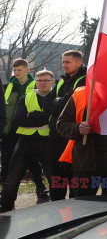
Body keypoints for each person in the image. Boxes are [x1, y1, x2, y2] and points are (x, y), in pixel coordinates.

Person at [56, 83, 107, 197]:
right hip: (86, 162)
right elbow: (61, 124)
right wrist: (77, 128)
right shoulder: (80, 94)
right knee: (82, 205)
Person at [0, 70, 55, 212]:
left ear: (52, 82)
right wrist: (44, 119)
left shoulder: (57, 98)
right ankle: (5, 206)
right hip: (25, 141)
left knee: (53, 177)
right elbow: (18, 119)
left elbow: (55, 120)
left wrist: (33, 117)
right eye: (39, 80)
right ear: (35, 81)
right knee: (13, 177)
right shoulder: (26, 97)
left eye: (46, 80)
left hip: (47, 141)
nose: (42, 82)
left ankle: (58, 205)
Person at [45, 50, 87, 201]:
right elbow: (46, 103)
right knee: (56, 179)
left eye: (67, 62)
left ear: (78, 62)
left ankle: (74, 216)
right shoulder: (62, 81)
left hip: (72, 138)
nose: (64, 65)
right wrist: (58, 102)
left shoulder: (85, 81)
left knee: (73, 180)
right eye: (63, 62)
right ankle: (56, 210)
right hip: (56, 136)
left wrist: (57, 102)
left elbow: (65, 105)